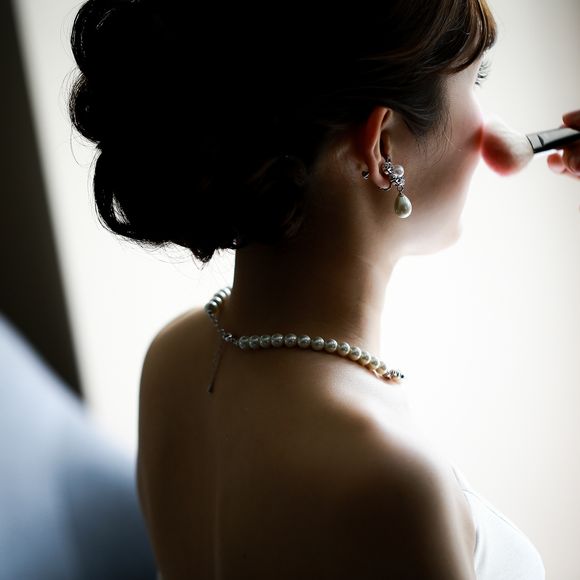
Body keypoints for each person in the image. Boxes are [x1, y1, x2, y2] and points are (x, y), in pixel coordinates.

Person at [68, 1, 576, 578]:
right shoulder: (391, 484)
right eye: (475, 80)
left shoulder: (173, 358)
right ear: (383, 146)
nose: (490, 124)